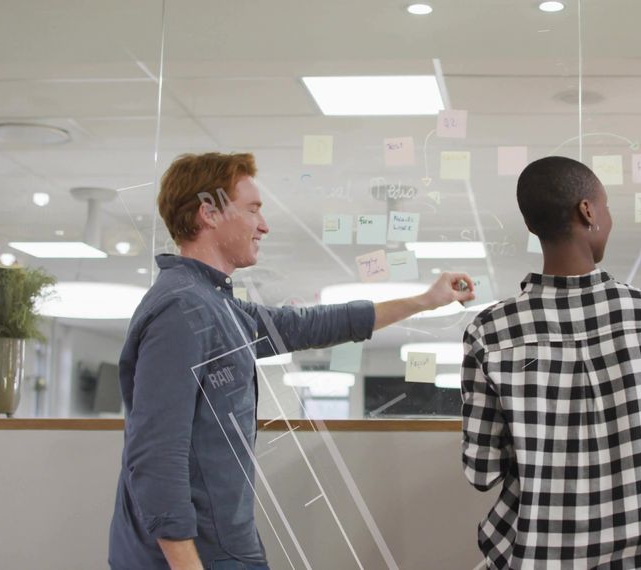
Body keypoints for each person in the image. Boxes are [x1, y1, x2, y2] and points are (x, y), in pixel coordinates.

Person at [108, 152, 475, 570]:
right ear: (208, 213)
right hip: (196, 557)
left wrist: (425, 301)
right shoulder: (181, 310)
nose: (263, 225)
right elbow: (157, 455)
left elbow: (309, 325)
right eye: (252, 210)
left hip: (223, 547)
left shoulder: (215, 305)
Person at [460, 156, 641, 569]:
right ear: (587, 210)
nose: (608, 217)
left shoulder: (490, 332)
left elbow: (481, 472)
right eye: (605, 206)